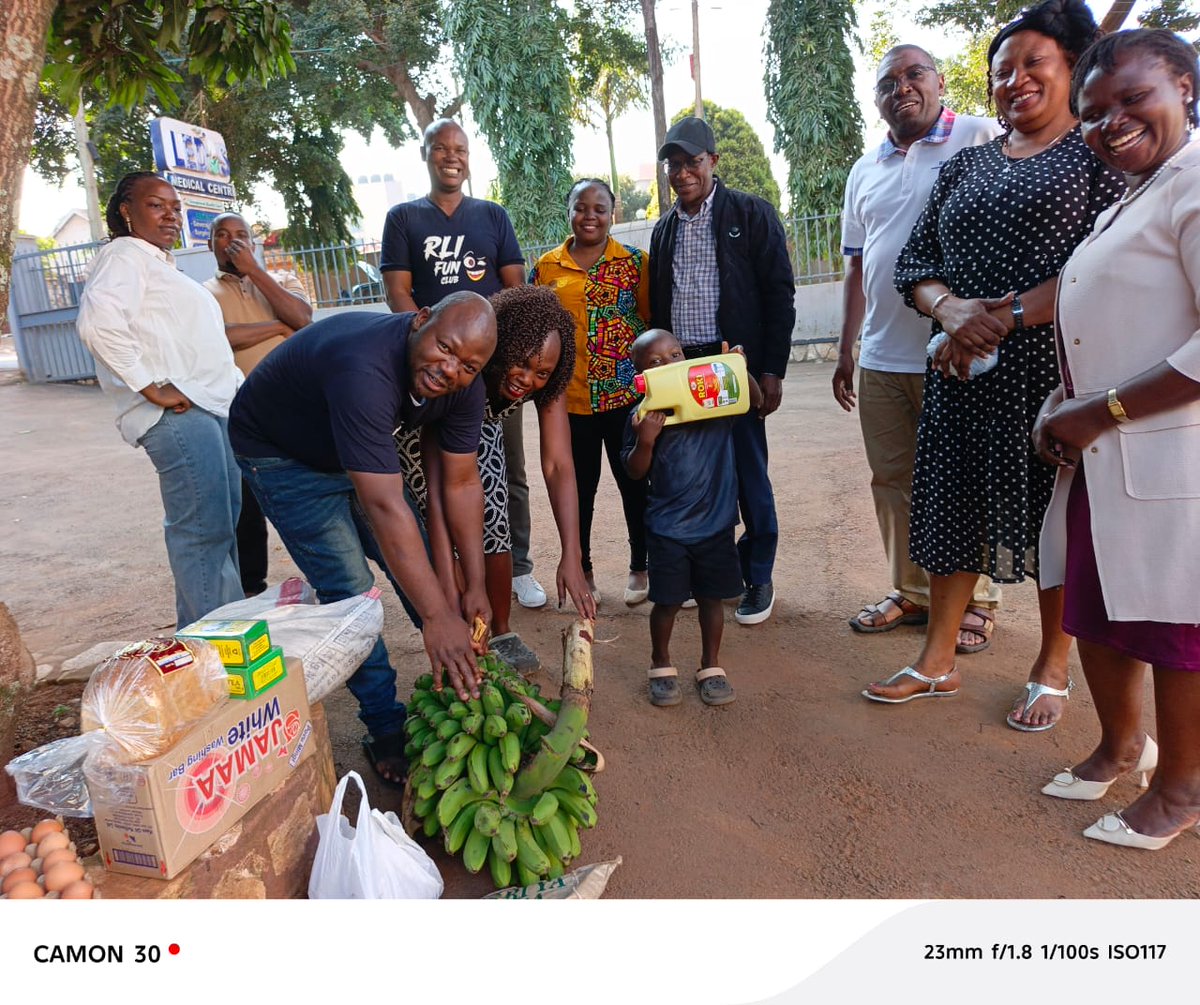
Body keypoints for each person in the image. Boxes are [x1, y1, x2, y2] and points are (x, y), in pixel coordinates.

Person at [866, 0, 1122, 729]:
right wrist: (951, 313)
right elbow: (914, 261)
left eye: (1033, 64)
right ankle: (937, 659)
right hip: (959, 373)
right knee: (950, 509)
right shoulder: (967, 165)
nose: (1014, 80)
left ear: (1071, 70)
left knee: (1048, 519)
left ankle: (1051, 664)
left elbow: (1095, 268)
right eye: (1002, 70)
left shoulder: (1095, 157)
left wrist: (999, 319)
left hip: (1048, 375)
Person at [1033, 29, 1200, 849]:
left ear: (1185, 86)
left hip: (1168, 451)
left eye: (1134, 99)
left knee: (1174, 624)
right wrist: (1060, 407)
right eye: (1095, 113)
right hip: (1101, 456)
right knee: (1097, 610)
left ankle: (1182, 787)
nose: (1113, 123)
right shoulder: (1127, 200)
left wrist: (1101, 413)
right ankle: (1118, 747)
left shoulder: (1196, 180)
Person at [228, 292, 496, 786]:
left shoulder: (465, 387)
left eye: (468, 364)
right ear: (420, 321)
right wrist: (438, 616)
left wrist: (473, 585)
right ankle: (385, 726)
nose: (450, 368)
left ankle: (463, 679)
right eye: (445, 347)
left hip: (347, 447)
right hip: (280, 454)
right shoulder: (364, 369)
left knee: (417, 562)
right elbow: (385, 505)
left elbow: (461, 483)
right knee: (351, 592)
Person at [837, 46, 1004, 651]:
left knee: (965, 478)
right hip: (882, 356)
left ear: (938, 81)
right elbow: (856, 267)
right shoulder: (865, 169)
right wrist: (846, 348)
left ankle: (978, 599)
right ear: (875, 97)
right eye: (888, 82)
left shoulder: (983, 136)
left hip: (957, 352)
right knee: (892, 478)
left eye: (914, 75)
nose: (902, 88)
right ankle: (911, 589)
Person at [379, 119, 545, 610]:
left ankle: (518, 569)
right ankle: (445, 569)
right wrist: (437, 355)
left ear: (469, 158)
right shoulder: (404, 218)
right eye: (441, 148)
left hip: (486, 374)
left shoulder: (491, 216)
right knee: (430, 476)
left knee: (506, 472)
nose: (451, 157)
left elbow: (515, 287)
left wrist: (490, 357)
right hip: (428, 370)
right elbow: (398, 293)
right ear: (426, 153)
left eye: (460, 150)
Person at [394, 285, 597, 672]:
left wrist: (573, 554)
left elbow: (557, 463)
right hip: (430, 430)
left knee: (494, 517)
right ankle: (466, 629)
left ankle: (499, 631)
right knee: (446, 531)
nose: (527, 379)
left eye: (541, 372)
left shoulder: (545, 376)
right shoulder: (468, 366)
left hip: (483, 426)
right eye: (519, 363)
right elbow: (441, 496)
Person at [77, 172, 243, 627]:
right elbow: (99, 323)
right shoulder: (124, 256)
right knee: (202, 532)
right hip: (177, 417)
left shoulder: (157, 264)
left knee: (221, 528)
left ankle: (212, 639)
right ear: (126, 212)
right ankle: (217, 649)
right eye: (156, 205)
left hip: (208, 410)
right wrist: (151, 385)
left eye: (175, 206)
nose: (171, 214)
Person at [649, 116, 796, 626]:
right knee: (691, 474)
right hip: (680, 366)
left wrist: (771, 368)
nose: (682, 172)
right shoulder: (664, 228)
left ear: (713, 161)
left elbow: (779, 293)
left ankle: (758, 575)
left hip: (733, 363)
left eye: (692, 161)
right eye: (674, 164)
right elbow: (657, 309)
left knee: (747, 469)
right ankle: (710, 572)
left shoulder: (751, 214)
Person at [622, 330, 762, 707]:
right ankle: (661, 664)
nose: (670, 364)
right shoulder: (643, 414)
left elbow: (756, 401)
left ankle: (711, 665)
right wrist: (646, 439)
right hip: (668, 529)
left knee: (711, 600)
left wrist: (739, 369)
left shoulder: (714, 400)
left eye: (675, 354)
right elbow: (635, 472)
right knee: (666, 602)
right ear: (641, 374)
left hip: (716, 523)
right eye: (656, 362)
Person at [531, 178, 651, 606]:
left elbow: (650, 325)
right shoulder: (547, 268)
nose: (590, 216)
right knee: (579, 491)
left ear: (612, 214)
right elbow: (534, 330)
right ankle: (582, 570)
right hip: (571, 401)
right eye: (581, 207)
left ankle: (641, 566)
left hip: (625, 399)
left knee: (635, 485)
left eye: (599, 208)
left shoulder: (636, 263)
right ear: (569, 212)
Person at [203, 212, 312, 596]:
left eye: (240, 236)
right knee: (247, 508)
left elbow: (302, 316)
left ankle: (327, 582)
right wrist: (279, 327)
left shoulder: (281, 280)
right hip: (240, 414)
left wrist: (255, 272)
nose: (232, 242)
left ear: (253, 243)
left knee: (308, 497)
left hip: (296, 407)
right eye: (222, 235)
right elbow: (219, 337)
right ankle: (251, 590)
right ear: (210, 243)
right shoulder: (202, 293)